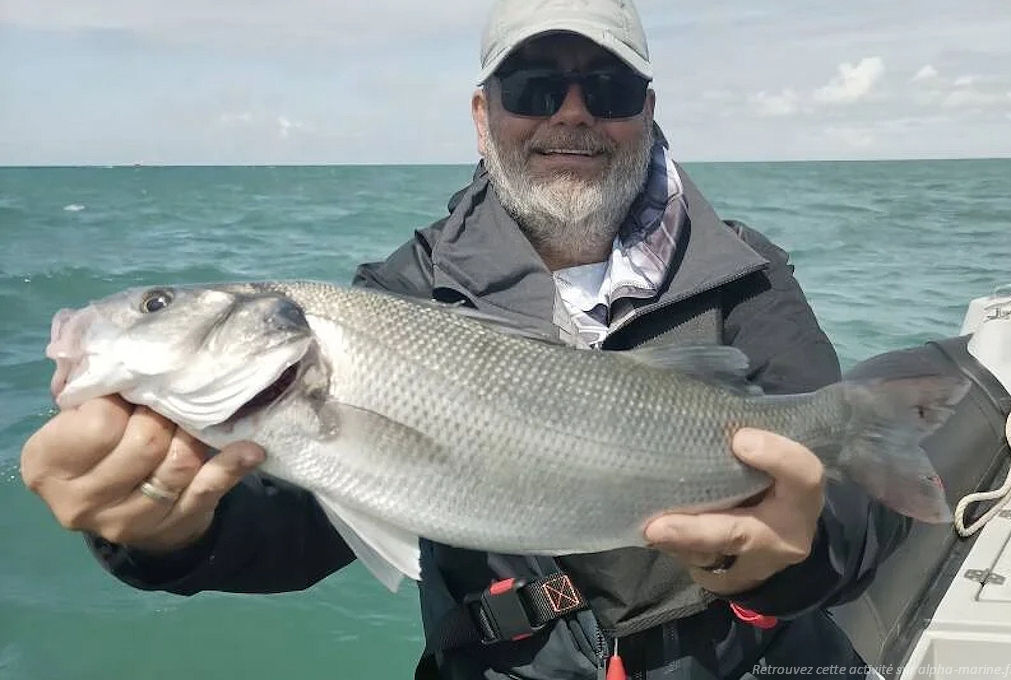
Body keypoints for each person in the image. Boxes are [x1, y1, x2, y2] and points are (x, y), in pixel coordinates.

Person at [20, 1, 910, 678]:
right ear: (484, 116)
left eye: (607, 88)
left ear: (646, 111)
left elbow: (855, 526)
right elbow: (299, 529)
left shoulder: (745, 273)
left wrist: (788, 561)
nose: (572, 114)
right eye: (533, 89)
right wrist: (166, 533)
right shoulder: (401, 296)